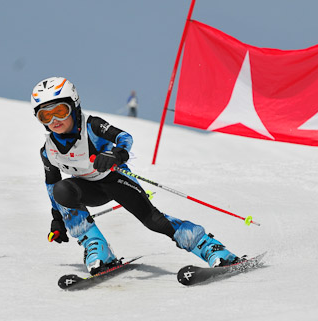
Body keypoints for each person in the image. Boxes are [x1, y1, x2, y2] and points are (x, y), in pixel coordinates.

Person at [32, 77, 239, 275]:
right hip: (90, 190)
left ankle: (213, 249)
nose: (54, 120)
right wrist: (57, 219)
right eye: (45, 116)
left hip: (116, 181)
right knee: (62, 190)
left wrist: (116, 154)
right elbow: (52, 186)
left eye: (60, 111)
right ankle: (98, 249)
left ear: (74, 106)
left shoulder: (92, 126)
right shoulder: (48, 152)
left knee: (154, 221)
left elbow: (124, 137)